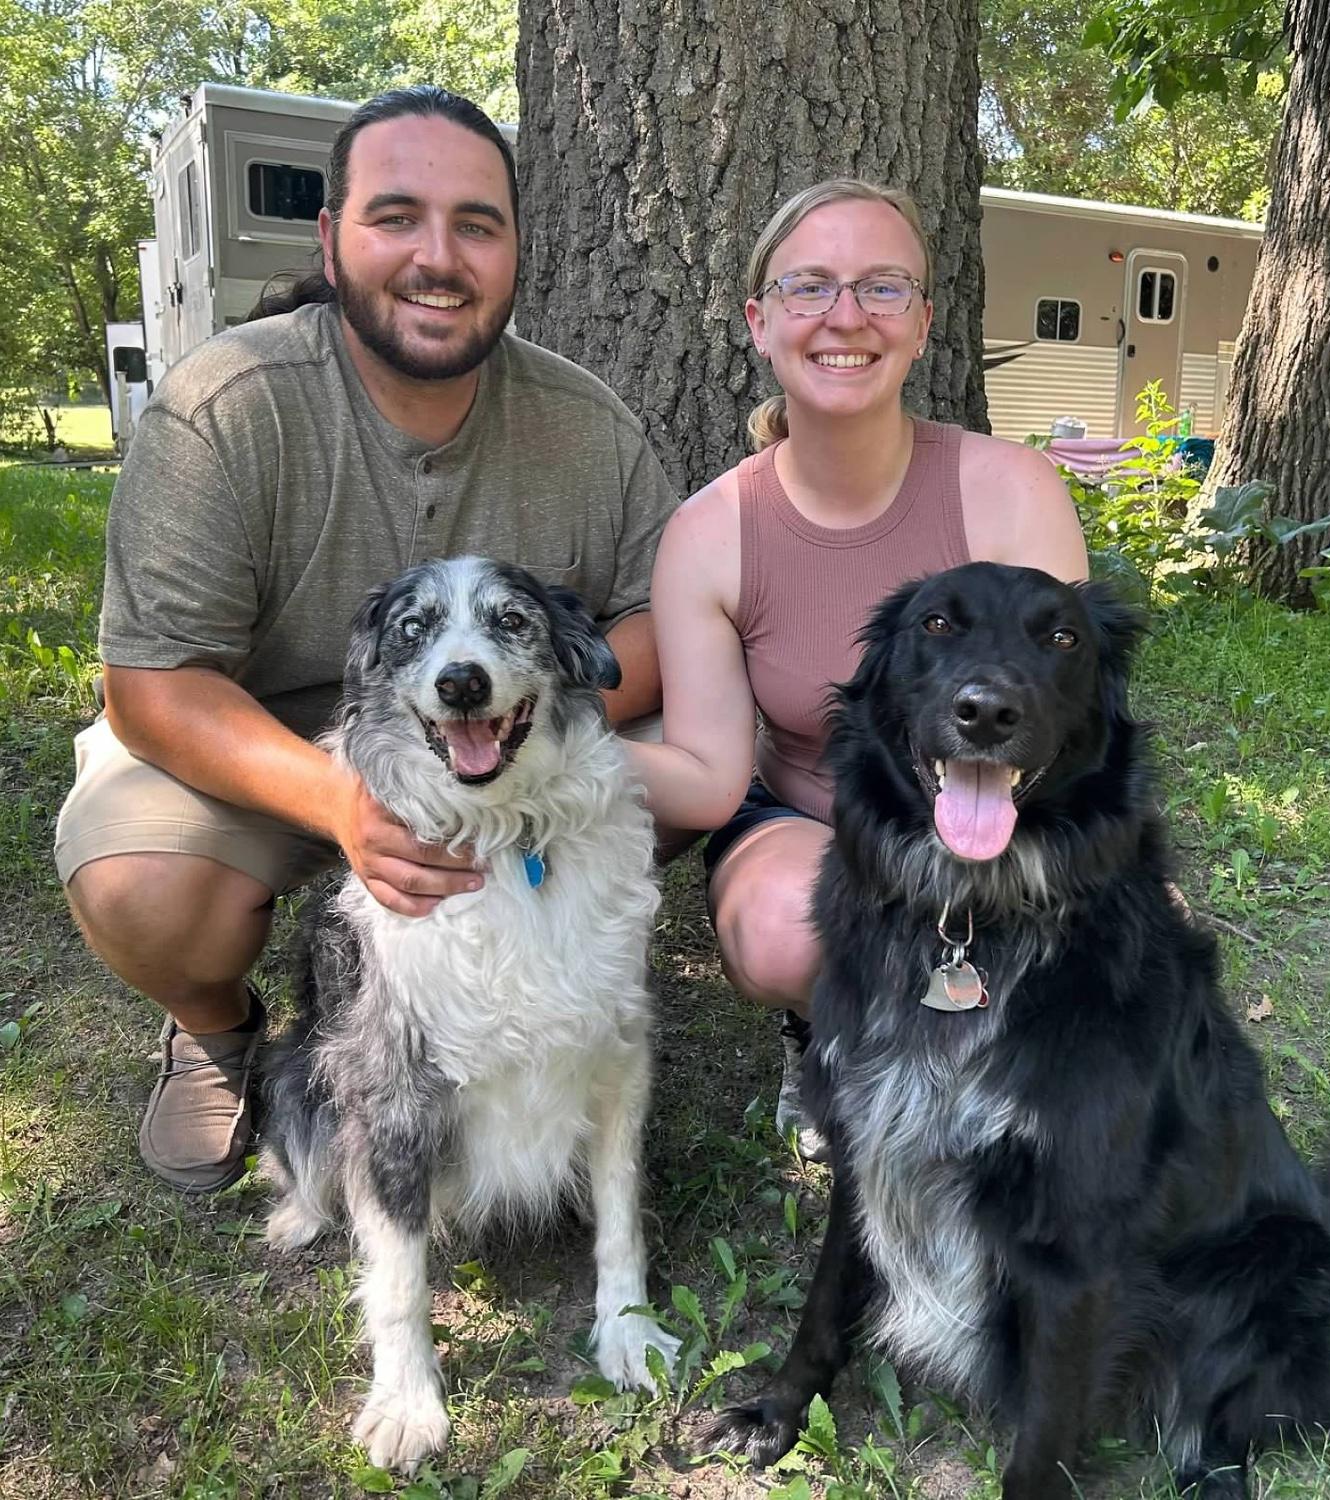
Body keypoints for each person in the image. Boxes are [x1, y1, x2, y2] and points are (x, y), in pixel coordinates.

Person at [54, 87, 678, 1193]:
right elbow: (150, 682)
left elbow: (651, 620)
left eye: (477, 223)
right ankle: (217, 1027)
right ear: (330, 238)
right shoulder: (227, 405)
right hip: (256, 749)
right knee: (139, 882)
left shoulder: (591, 425)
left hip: (498, 734)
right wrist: (345, 798)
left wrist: (532, 732)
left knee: (672, 772)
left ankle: (532, 1026)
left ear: (516, 251)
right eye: (397, 216)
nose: (439, 256)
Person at [623, 180, 1088, 1152]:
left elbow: (1057, 719)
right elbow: (709, 777)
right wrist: (556, 749)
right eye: (810, 288)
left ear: (922, 324)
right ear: (760, 322)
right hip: (807, 822)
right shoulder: (711, 534)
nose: (846, 317)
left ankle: (980, 1045)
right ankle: (825, 1035)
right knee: (788, 931)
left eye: (883, 288)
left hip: (995, 813)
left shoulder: (1010, 492)